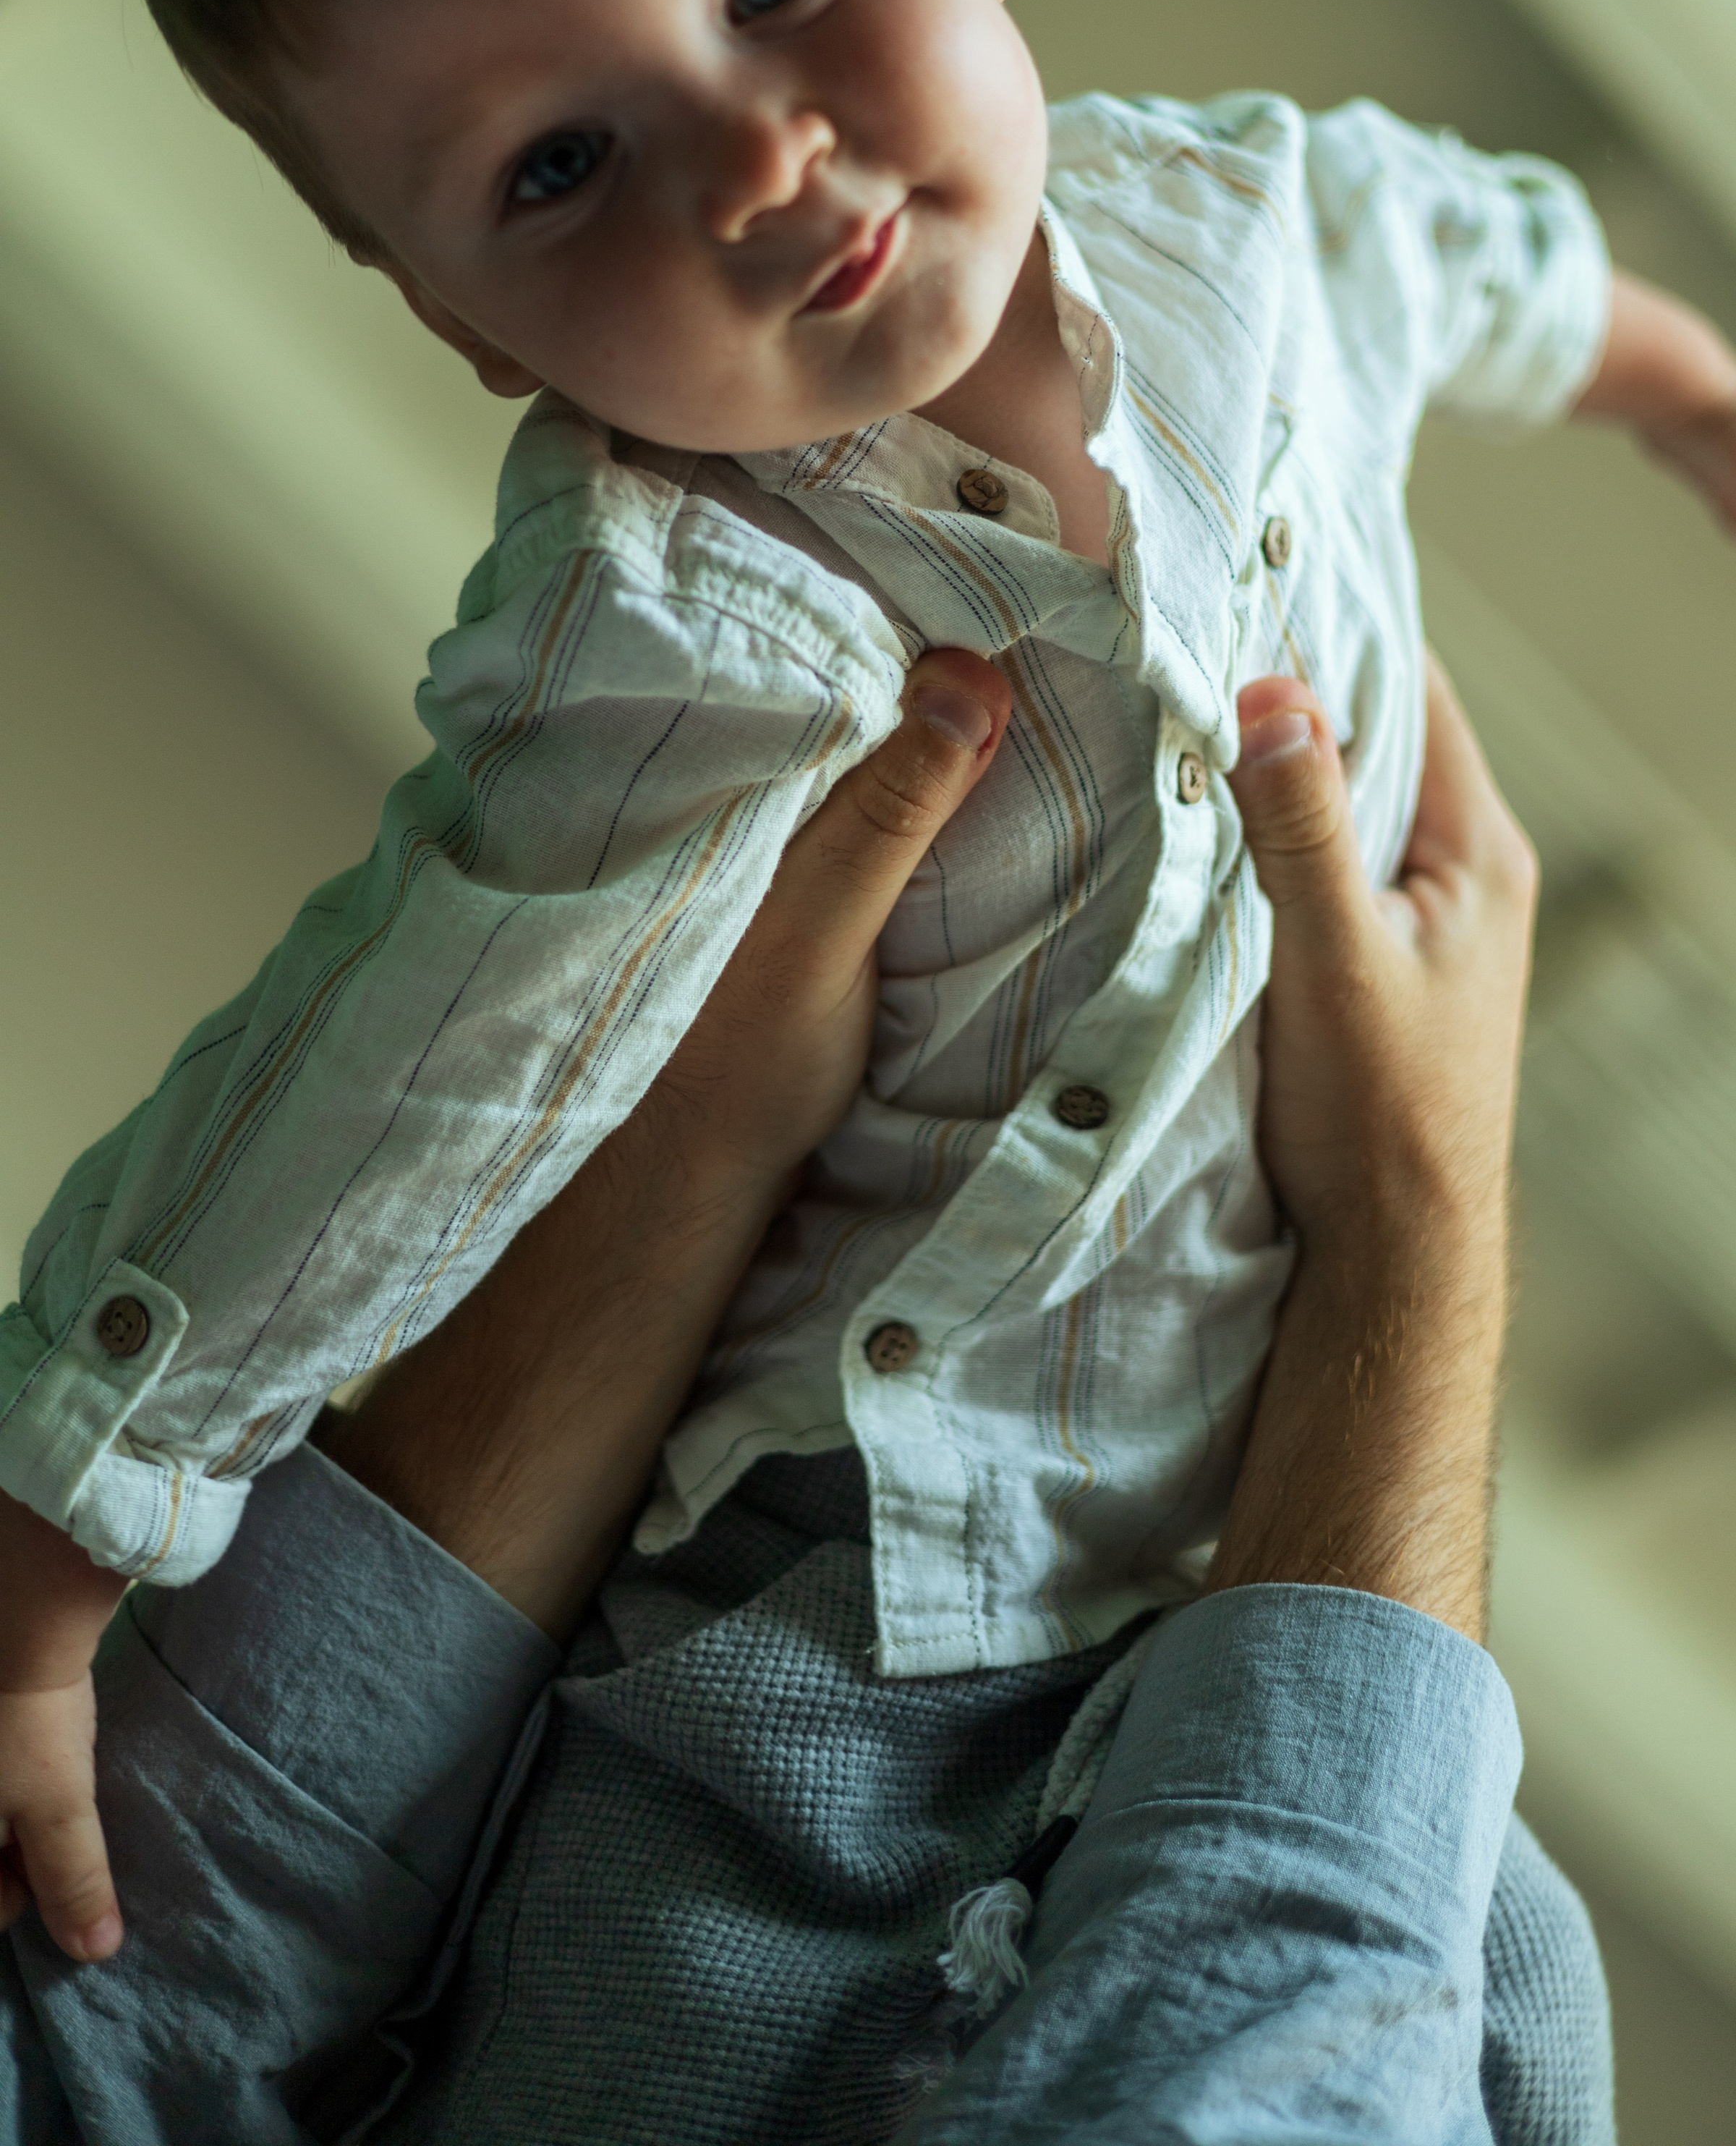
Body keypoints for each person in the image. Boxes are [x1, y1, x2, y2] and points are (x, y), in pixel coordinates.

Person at [1, 0, 1736, 2097]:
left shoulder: (1238, 219)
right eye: (557, 170)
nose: (757, 161)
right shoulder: (664, 628)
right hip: (824, 1628)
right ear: (465, 327)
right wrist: (79, 1502)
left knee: (1484, 1970)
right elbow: (390, 1078)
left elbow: (1480, 251)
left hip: (1204, 1542)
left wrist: (1697, 389)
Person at [1, 650, 1606, 2143]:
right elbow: (1248, 2068)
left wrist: (671, 1168)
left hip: (629, 1619)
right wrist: (1413, 1218)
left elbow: (117, 2027)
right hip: (1276, 1730)